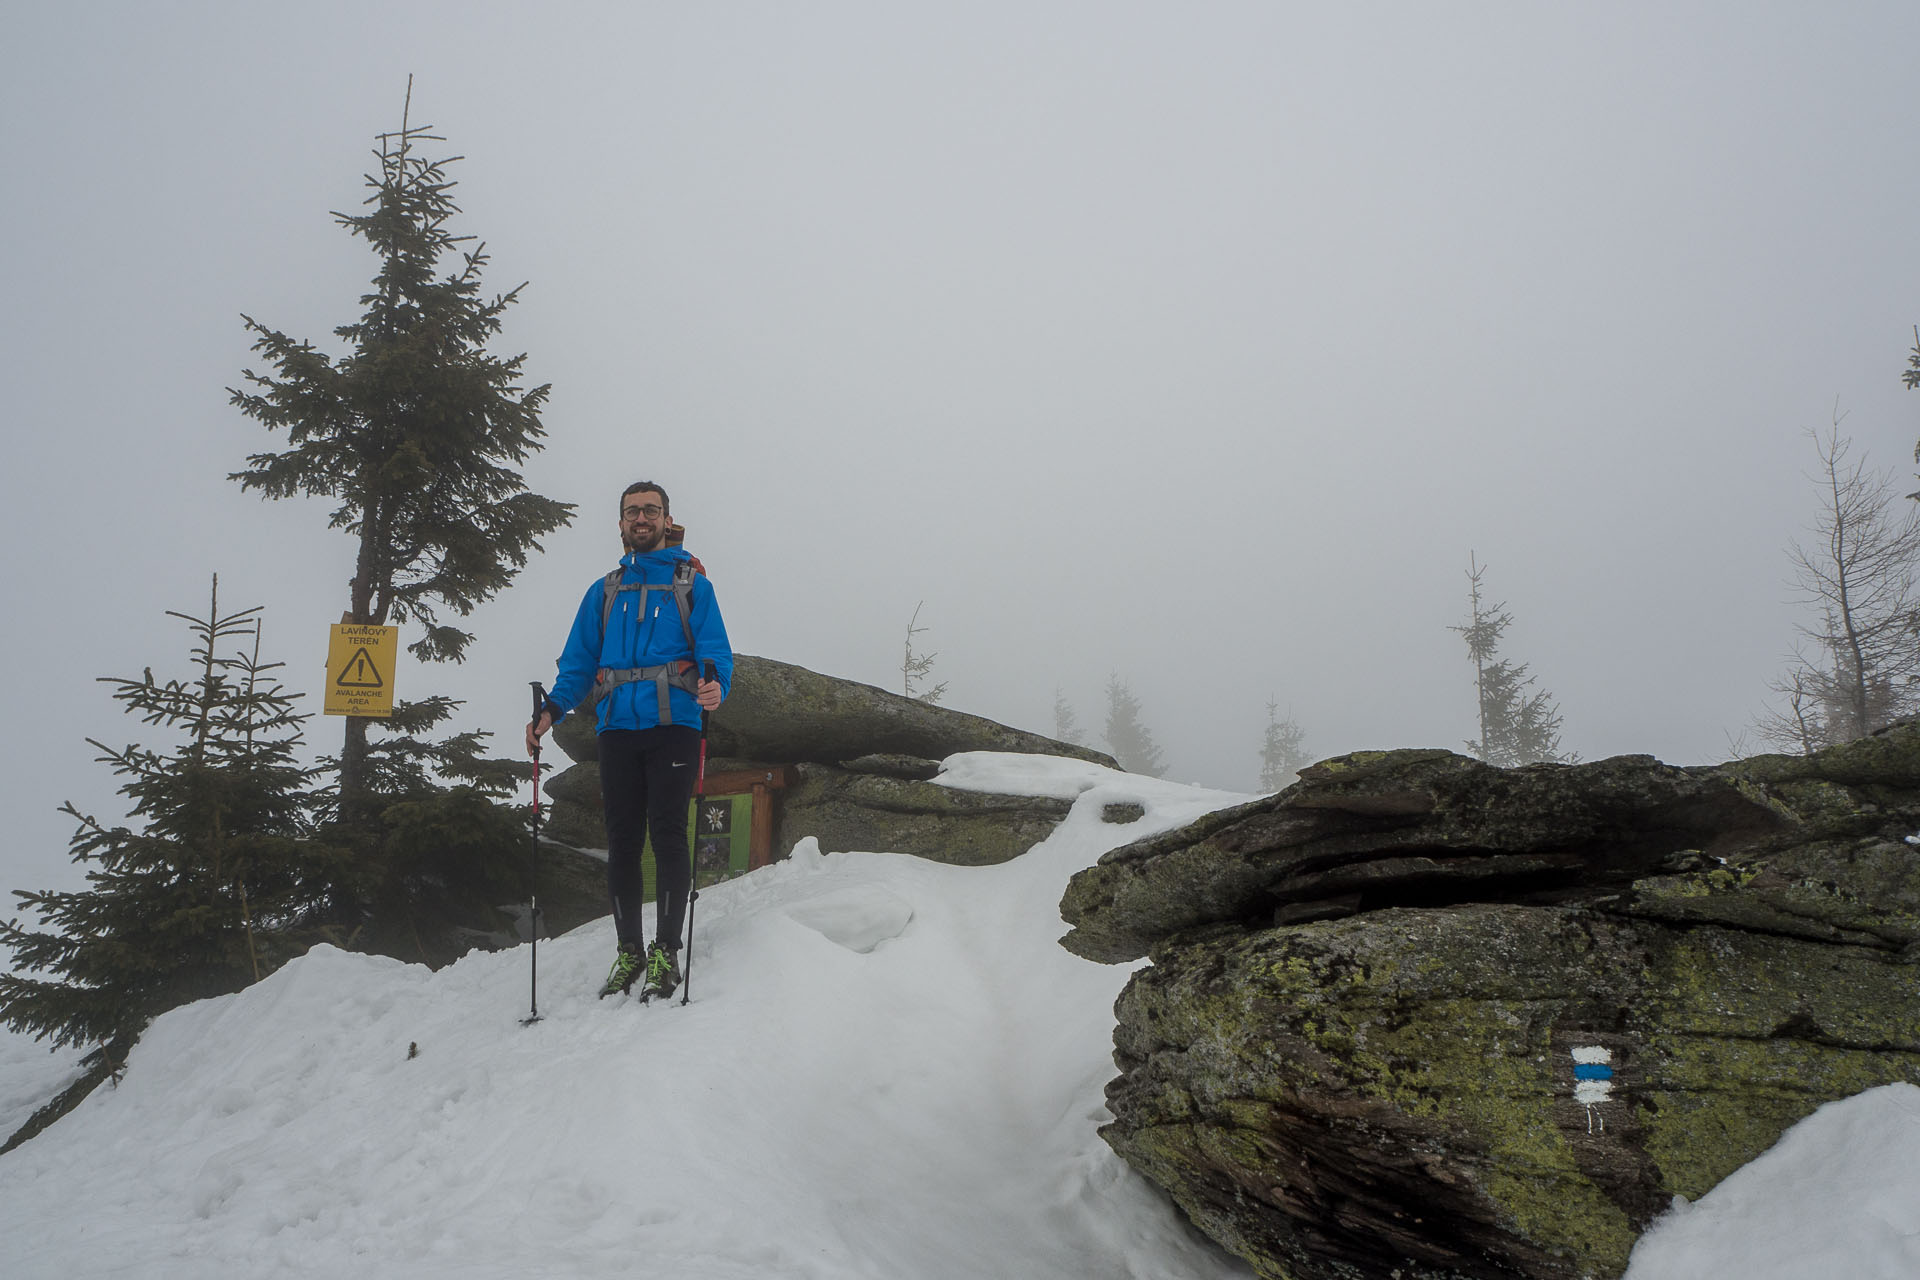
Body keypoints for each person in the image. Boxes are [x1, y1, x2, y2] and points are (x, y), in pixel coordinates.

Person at [526, 481, 733, 1000]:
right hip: (617, 729)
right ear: (620, 524)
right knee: (621, 840)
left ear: (667, 520)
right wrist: (550, 710)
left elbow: (716, 652)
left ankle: (666, 950)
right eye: (631, 512)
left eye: (650, 511)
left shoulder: (693, 586)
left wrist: (715, 686)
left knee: (666, 833)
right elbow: (579, 664)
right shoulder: (604, 591)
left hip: (674, 727)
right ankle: (629, 951)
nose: (641, 518)